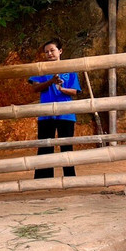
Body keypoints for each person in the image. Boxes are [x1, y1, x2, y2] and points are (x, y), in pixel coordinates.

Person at [28, 38, 80, 179]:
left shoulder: (70, 68)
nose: (49, 54)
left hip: (66, 114)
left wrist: (61, 89)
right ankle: (43, 179)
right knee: (45, 146)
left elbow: (75, 91)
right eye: (46, 52)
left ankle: (70, 178)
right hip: (45, 114)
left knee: (66, 147)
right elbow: (35, 88)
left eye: (52, 50)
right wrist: (51, 81)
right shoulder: (41, 69)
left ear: (60, 51)